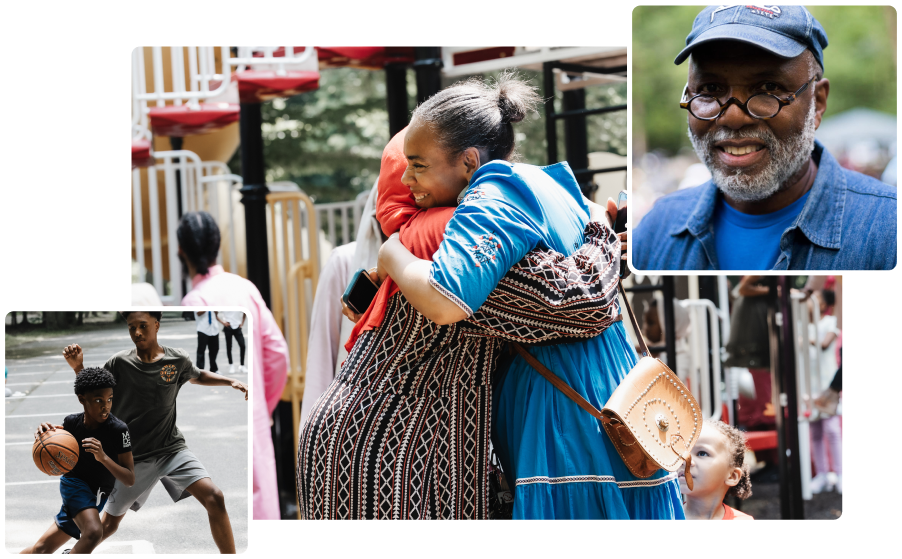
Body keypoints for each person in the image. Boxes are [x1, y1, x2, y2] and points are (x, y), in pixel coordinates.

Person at [298, 102, 643, 518]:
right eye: (408, 167)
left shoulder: (422, 237)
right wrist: (600, 235)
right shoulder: (449, 242)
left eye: (418, 165)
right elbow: (582, 304)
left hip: (378, 441)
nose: (410, 177)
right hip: (392, 446)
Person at [365, 73, 682, 519]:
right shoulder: (549, 182)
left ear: (469, 161)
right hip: (616, 386)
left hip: (561, 404)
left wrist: (392, 252)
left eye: (417, 164)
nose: (406, 176)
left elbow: (444, 300)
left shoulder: (492, 195)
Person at [632, 5, 897, 270]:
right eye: (710, 89)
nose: (733, 118)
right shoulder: (655, 231)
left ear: (817, 101)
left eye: (769, 88)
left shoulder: (889, 230)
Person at [55, 311, 247, 553]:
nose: (137, 332)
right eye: (131, 327)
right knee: (110, 524)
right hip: (131, 459)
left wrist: (230, 381)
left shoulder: (177, 359)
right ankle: (73, 553)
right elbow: (94, 389)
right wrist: (79, 366)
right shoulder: (119, 363)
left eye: (143, 326)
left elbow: (197, 375)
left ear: (156, 325)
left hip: (171, 449)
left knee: (214, 497)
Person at [178, 211, 290, 520]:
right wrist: (261, 407)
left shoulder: (193, 303)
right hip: (252, 420)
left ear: (181, 251)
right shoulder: (245, 289)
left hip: (216, 431)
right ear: (217, 245)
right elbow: (278, 353)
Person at [22, 368, 135, 554]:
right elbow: (54, 443)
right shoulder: (72, 423)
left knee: (41, 550)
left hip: (98, 495)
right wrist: (44, 433)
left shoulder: (118, 430)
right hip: (74, 485)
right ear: (82, 399)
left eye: (110, 399)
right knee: (93, 532)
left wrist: (104, 458)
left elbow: (130, 479)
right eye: (99, 400)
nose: (105, 406)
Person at [680, 420, 753, 520]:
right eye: (680, 452)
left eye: (702, 453)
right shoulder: (660, 516)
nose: (684, 460)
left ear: (732, 476)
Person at [808, 289, 841, 494]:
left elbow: (825, 344)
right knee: (815, 431)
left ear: (822, 304)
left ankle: (839, 474)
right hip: (809, 384)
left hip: (828, 383)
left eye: (816, 298)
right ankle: (821, 474)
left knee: (832, 430)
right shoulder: (803, 323)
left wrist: (804, 341)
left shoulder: (831, 322)